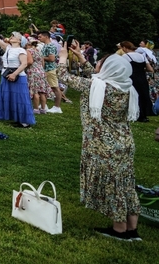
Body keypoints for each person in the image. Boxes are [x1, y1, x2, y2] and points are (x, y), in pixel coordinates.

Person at [58, 46, 142, 241]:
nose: (96, 66)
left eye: (100, 64)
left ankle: (119, 229)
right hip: (125, 143)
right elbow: (98, 76)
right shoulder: (127, 87)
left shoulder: (96, 86)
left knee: (113, 186)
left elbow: (64, 75)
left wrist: (63, 58)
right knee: (126, 184)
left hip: (104, 145)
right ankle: (132, 229)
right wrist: (81, 58)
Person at [0, 23, 34, 128]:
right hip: (6, 75)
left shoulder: (21, 50)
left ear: (20, 41)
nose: (11, 37)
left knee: (20, 98)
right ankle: (17, 118)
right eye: (11, 35)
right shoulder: (8, 48)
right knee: (11, 97)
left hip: (18, 77)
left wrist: (14, 74)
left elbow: (24, 64)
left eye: (14, 36)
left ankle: (25, 122)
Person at [121, 41, 153, 123]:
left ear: (124, 47)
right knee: (143, 95)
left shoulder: (125, 56)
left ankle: (135, 114)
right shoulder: (142, 56)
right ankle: (144, 115)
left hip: (132, 78)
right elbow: (150, 69)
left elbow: (122, 68)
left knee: (134, 96)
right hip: (142, 78)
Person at [38, 32, 63, 113]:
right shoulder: (46, 45)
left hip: (50, 69)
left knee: (55, 88)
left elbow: (52, 59)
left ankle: (57, 107)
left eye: (40, 36)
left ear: (46, 36)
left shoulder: (50, 46)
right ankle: (44, 104)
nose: (39, 38)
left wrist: (40, 57)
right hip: (45, 69)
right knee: (45, 87)